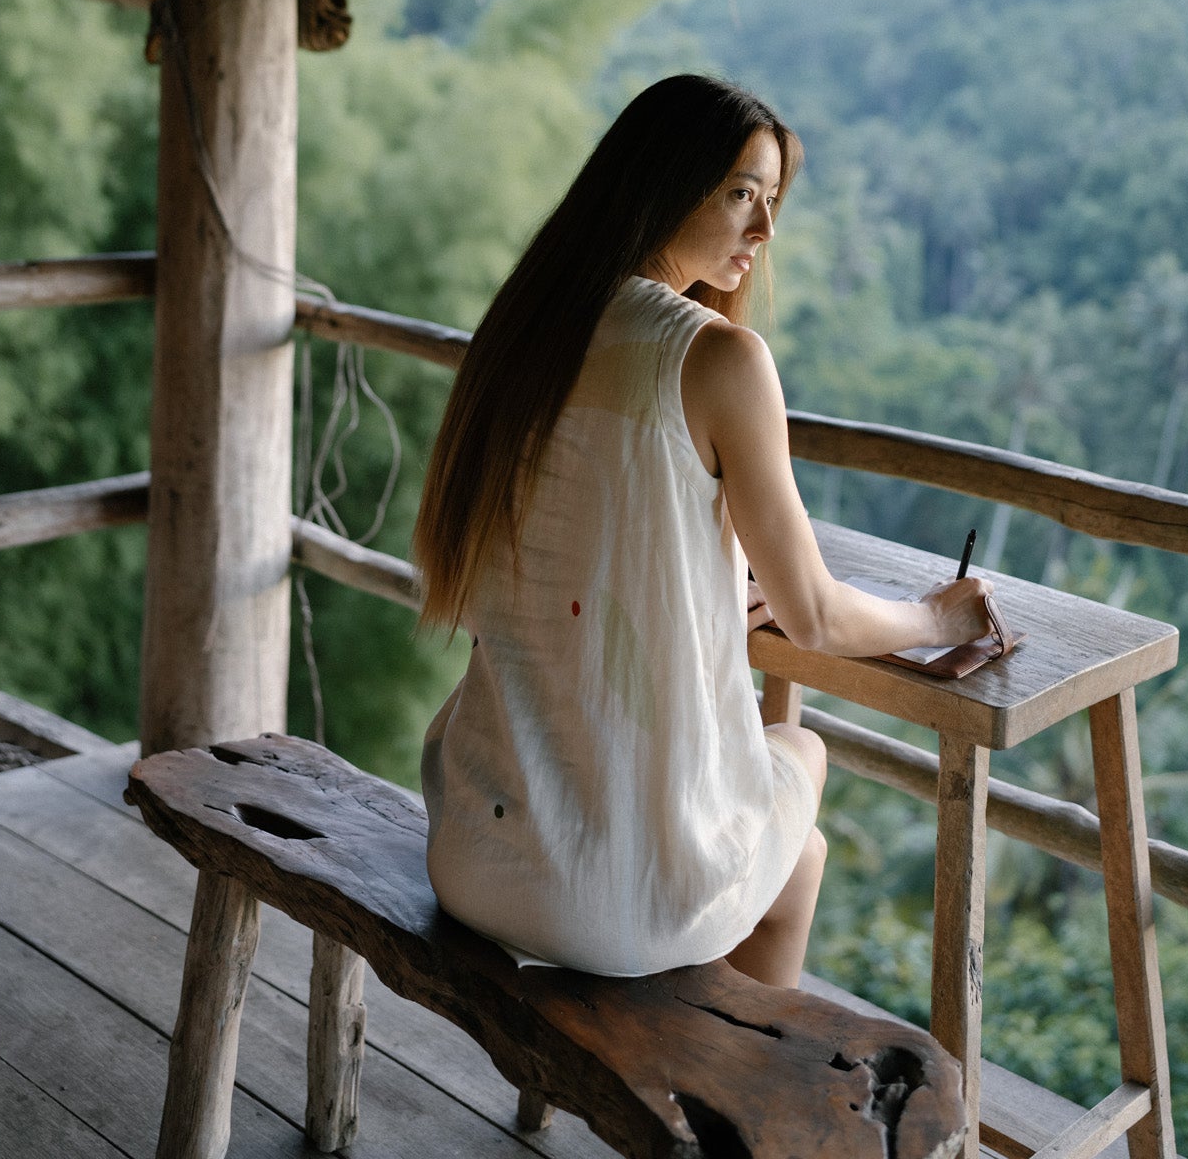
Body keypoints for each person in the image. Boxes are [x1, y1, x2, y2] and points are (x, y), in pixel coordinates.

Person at [414, 74, 990, 988]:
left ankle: (702, 1066)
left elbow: (587, 527)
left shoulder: (524, 328)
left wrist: (713, 591)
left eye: (771, 202)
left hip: (472, 853)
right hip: (603, 901)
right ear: (658, 185)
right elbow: (815, 621)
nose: (764, 233)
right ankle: (735, 1096)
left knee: (795, 861)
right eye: (739, 195)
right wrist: (936, 617)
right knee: (800, 751)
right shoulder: (717, 355)